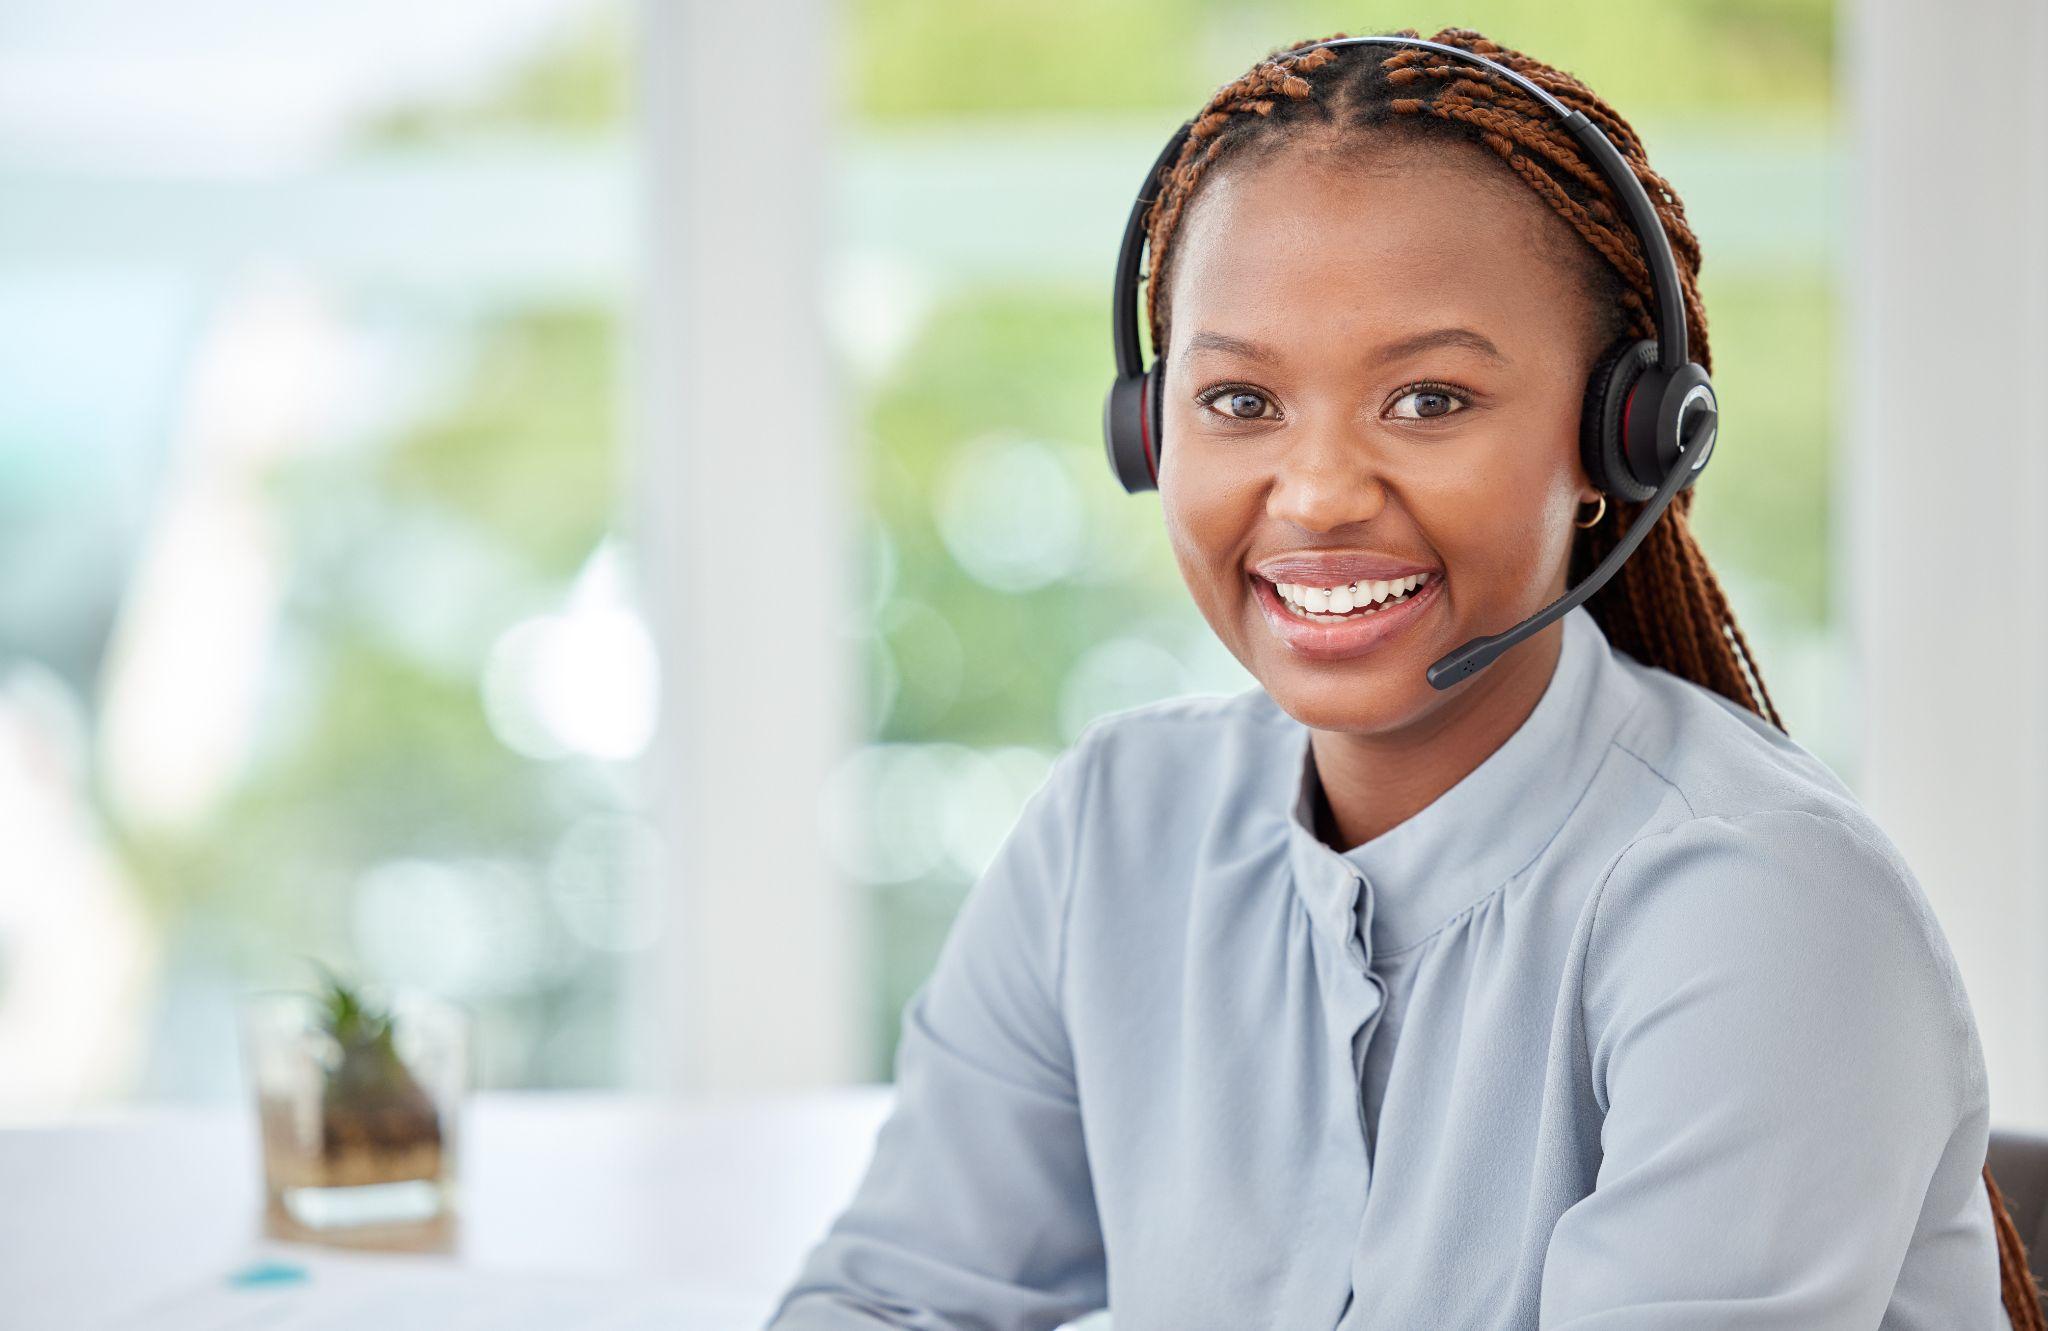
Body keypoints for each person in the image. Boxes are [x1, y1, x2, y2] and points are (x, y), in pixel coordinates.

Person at [764, 26, 2046, 1330]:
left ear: (1625, 434)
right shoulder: (1117, 829)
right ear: (1150, 430)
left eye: (1428, 400)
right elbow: (893, 1298)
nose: (1317, 493)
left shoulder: (1759, 908)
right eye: (1241, 403)